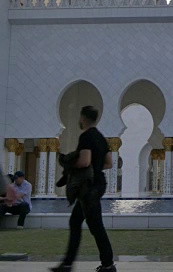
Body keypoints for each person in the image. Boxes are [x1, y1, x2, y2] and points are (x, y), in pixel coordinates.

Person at [51, 106, 116, 272]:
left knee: (95, 226)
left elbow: (85, 161)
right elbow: (109, 163)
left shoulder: (86, 136)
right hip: (98, 184)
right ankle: (67, 264)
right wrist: (95, 165)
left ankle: (108, 265)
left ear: (83, 118)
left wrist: (70, 163)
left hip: (89, 187)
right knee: (76, 222)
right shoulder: (101, 138)